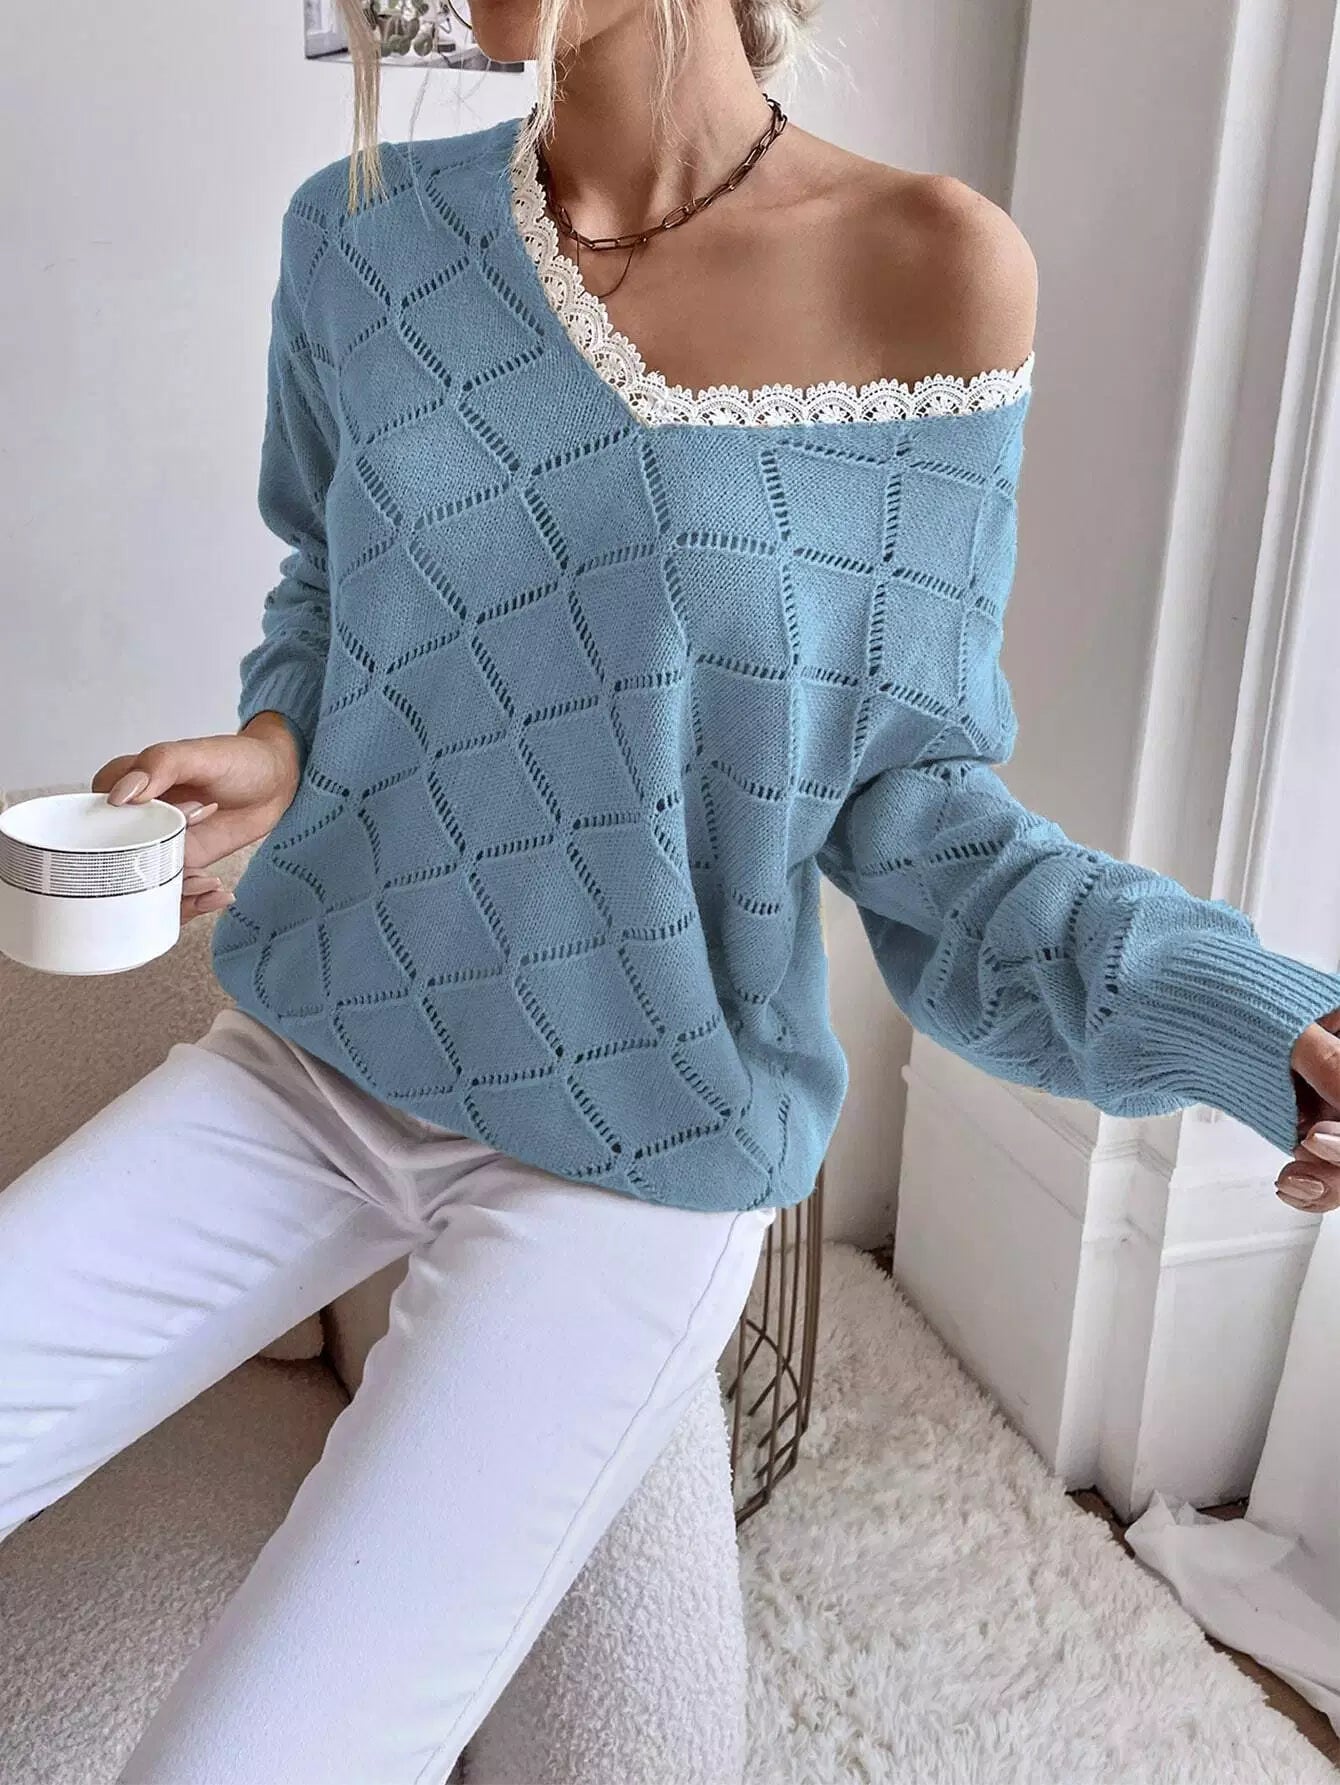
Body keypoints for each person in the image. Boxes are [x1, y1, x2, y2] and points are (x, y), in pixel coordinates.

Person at [4, 2, 1339, 1780]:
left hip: (633, 1157)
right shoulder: (360, 234)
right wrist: (277, 742)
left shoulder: (932, 271)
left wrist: (1259, 1020)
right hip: (318, 1047)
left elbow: (919, 811)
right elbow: (332, 583)